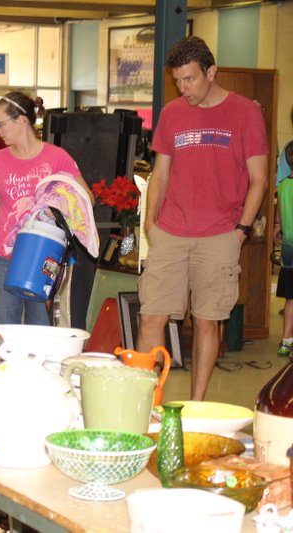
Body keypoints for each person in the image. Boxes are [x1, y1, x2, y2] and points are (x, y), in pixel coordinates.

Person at [136, 36, 268, 400]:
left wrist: (240, 230)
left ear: (211, 72)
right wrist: (151, 224)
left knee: (208, 322)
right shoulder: (173, 113)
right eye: (178, 80)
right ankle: (149, 403)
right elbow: (160, 174)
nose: (183, 88)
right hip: (171, 232)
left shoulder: (245, 113)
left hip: (220, 235)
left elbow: (259, 178)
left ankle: (196, 406)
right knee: (151, 316)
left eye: (190, 79)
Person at [0, 91, 90, 325]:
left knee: (40, 331)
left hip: (42, 256)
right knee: (6, 331)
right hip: (2, 259)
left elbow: (87, 200)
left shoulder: (57, 158)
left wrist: (58, 207)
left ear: (22, 121)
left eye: (1, 124)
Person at [274, 107, 293, 356]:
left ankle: (286, 340)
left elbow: (279, 200)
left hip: (290, 243)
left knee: (291, 295)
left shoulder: (284, 184)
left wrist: (279, 225)